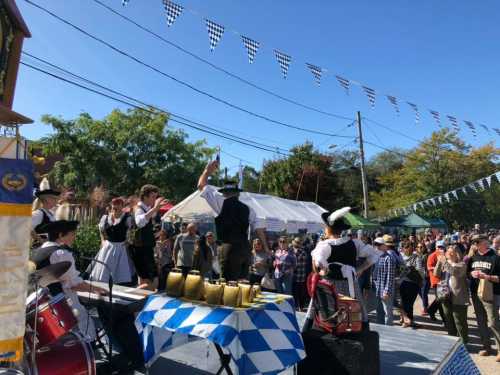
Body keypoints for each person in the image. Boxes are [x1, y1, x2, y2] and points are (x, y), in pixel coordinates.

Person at [31, 220, 107, 342]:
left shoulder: (36, 251)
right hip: (60, 304)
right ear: (61, 235)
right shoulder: (61, 253)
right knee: (85, 323)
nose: (74, 237)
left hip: (41, 303)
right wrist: (98, 289)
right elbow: (74, 284)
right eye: (72, 234)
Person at [198, 160, 268, 281]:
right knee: (242, 283)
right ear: (238, 194)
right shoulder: (248, 209)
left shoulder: (220, 201)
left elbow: (201, 186)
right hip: (245, 249)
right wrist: (266, 247)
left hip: (228, 248)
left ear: (224, 193)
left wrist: (207, 171)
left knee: (228, 284)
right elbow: (259, 229)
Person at [311, 207, 380, 324]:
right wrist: (360, 269)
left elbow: (318, 265)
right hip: (351, 283)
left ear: (328, 229)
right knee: (353, 312)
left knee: (331, 314)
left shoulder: (324, 245)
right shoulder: (354, 242)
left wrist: (324, 271)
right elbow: (373, 255)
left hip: (331, 286)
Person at [467, 234, 500, 360]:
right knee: (481, 321)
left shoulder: (495, 258)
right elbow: (468, 274)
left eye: (477, 242)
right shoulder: (473, 258)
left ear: (485, 242)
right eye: (475, 242)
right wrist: (472, 273)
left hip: (491, 293)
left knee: (493, 322)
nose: (475, 244)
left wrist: (488, 277)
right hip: (476, 293)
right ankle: (486, 346)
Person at [89, 197, 135, 285]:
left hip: (120, 247)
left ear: (122, 206)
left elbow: (132, 231)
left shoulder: (127, 218)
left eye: (118, 205)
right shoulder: (105, 217)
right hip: (108, 246)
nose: (115, 207)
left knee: (120, 272)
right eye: (114, 205)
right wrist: (102, 240)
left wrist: (128, 241)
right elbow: (101, 230)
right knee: (104, 271)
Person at [130, 184, 166, 290]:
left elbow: (144, 229)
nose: (155, 199)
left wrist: (155, 235)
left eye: (156, 197)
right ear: (145, 196)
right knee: (152, 282)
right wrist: (155, 209)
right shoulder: (139, 208)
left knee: (146, 281)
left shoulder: (147, 209)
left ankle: (137, 302)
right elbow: (140, 222)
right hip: (140, 250)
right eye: (153, 197)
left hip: (144, 249)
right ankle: (132, 298)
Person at [435, 246, 469, 344]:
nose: (449, 254)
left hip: (458, 297)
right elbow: (436, 274)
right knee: (449, 319)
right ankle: (452, 341)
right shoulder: (445, 263)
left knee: (459, 321)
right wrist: (439, 261)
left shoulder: (461, 264)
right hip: (445, 294)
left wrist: (444, 262)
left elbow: (454, 272)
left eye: (452, 252)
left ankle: (463, 342)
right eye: (448, 252)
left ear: (457, 254)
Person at [373, 237, 396, 325]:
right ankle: (381, 328)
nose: (377, 247)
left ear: (384, 246)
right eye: (375, 244)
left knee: (388, 312)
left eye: (379, 245)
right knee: (379, 311)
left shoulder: (388, 258)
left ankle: (389, 329)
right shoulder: (376, 256)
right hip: (377, 288)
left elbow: (390, 276)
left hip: (385, 289)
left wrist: (386, 291)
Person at [399, 242, 423, 328]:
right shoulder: (415, 257)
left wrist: (405, 270)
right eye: (406, 247)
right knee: (407, 303)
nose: (407, 249)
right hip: (410, 283)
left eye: (408, 247)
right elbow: (419, 270)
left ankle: (407, 320)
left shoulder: (401, 257)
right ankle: (407, 320)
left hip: (407, 282)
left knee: (406, 302)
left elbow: (419, 270)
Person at [31, 178, 59, 246]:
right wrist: (41, 240)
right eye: (53, 198)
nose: (56, 200)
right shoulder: (39, 213)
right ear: (47, 199)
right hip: (40, 248)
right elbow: (28, 227)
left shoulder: (51, 213)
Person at [427, 240, 447, 323]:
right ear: (436, 247)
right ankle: (445, 320)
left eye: (442, 247)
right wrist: (438, 268)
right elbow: (429, 267)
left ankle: (431, 310)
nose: (440, 248)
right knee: (440, 299)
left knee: (440, 299)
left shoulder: (446, 255)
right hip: (436, 280)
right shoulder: (432, 255)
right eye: (439, 247)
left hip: (444, 281)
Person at [291, 237, 308, 311]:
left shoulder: (302, 252)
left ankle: (301, 307)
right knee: (293, 292)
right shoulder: (290, 250)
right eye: (296, 242)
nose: (297, 243)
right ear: (293, 242)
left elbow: (295, 263)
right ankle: (295, 306)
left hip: (300, 276)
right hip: (291, 276)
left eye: (299, 242)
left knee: (300, 293)